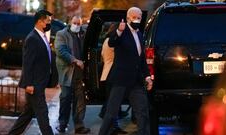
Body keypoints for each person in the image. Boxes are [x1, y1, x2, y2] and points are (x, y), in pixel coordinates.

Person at [99, 7, 153, 135]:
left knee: (142, 112)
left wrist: (147, 76)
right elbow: (112, 43)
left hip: (136, 80)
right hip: (120, 80)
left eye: (139, 17)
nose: (137, 19)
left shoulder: (139, 34)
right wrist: (119, 31)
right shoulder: (121, 31)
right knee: (111, 114)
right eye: (134, 17)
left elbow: (141, 59)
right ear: (128, 18)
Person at [8, 9, 57, 135]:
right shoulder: (32, 38)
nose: (49, 23)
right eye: (48, 21)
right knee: (43, 116)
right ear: (40, 22)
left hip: (39, 82)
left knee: (27, 115)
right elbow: (27, 63)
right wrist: (28, 84)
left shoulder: (42, 37)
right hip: (34, 85)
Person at [55, 15, 90, 134]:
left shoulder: (83, 34)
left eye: (78, 24)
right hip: (67, 73)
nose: (76, 25)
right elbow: (61, 51)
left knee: (80, 100)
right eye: (74, 23)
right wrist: (75, 60)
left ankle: (79, 126)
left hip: (80, 74)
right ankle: (62, 124)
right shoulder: (62, 34)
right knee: (65, 99)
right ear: (70, 22)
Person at [99, 23, 127, 135]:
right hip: (113, 73)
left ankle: (113, 126)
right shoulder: (113, 41)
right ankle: (110, 127)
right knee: (112, 103)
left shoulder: (106, 41)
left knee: (112, 102)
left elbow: (102, 55)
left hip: (106, 73)